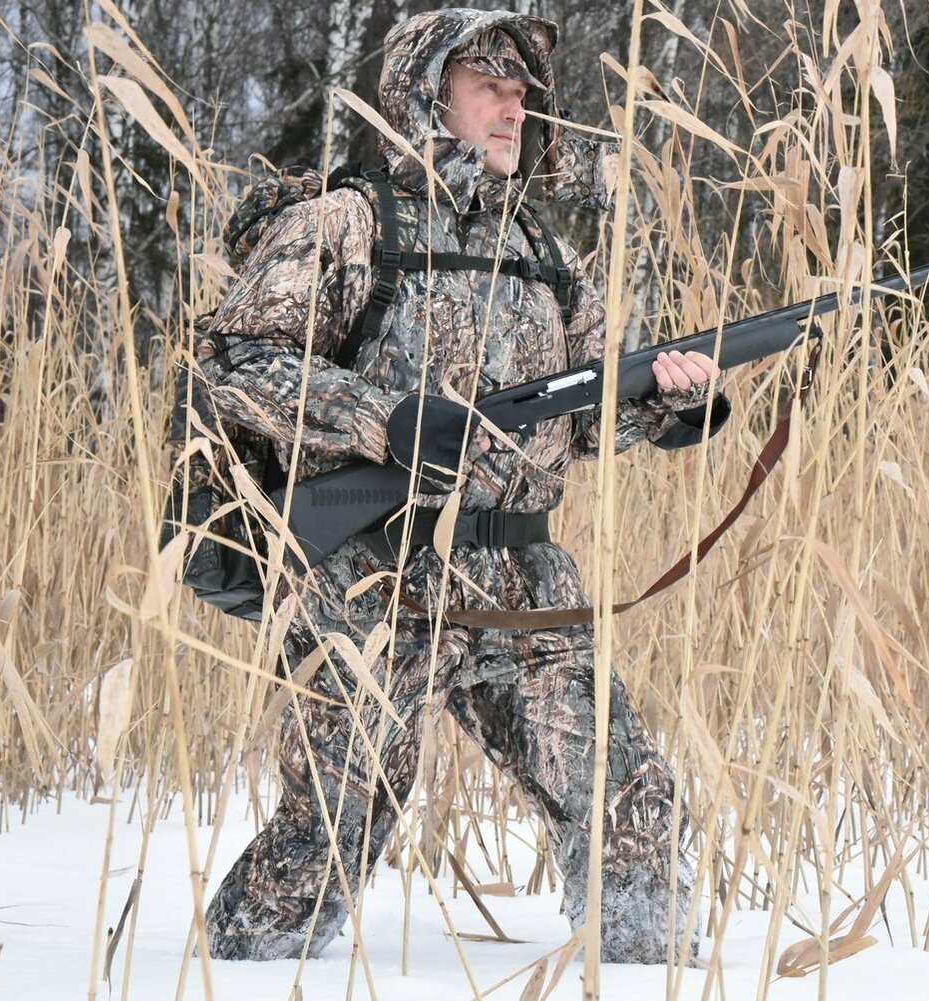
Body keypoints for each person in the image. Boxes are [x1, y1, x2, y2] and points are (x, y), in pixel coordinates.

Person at [196, 8, 726, 966]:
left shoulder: (543, 249)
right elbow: (235, 362)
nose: (514, 109)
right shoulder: (347, 222)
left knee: (629, 801)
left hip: (525, 578)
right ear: (425, 97)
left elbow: (582, 416)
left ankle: (651, 974)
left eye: (522, 93)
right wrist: (385, 419)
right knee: (333, 829)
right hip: (375, 578)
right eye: (489, 88)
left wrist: (669, 407)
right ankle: (228, 972)